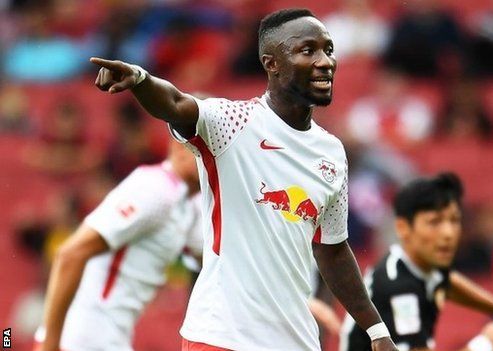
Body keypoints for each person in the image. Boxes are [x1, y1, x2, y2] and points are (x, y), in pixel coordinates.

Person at [89, 8, 398, 351]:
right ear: (272, 63)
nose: (325, 61)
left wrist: (375, 329)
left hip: (295, 342)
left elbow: (334, 251)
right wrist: (141, 79)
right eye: (307, 50)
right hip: (223, 337)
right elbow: (176, 103)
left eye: (328, 49)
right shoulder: (232, 122)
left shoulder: (331, 153)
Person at [341, 173, 493, 351]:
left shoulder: (409, 265)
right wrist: (486, 344)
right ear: (405, 229)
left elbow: (445, 281)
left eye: (453, 220)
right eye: (434, 222)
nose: (447, 233)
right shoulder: (399, 287)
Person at [35, 141, 204, 351]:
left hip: (111, 338)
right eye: (206, 150)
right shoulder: (155, 189)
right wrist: (49, 345)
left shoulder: (188, 205)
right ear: (180, 148)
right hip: (83, 338)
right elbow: (71, 254)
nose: (213, 161)